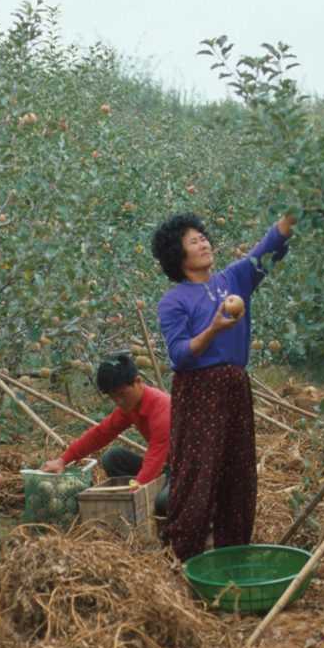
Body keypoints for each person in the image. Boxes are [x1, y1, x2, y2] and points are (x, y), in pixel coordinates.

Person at [152, 211, 296, 561]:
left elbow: (270, 245)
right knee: (197, 474)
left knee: (239, 474)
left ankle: (231, 556)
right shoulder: (173, 301)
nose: (203, 243)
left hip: (234, 386)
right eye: (193, 241)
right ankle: (181, 557)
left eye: (203, 237)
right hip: (199, 389)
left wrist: (298, 210)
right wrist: (214, 328)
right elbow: (181, 353)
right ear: (178, 255)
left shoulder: (234, 279)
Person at [40, 353, 171, 515]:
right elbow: (101, 433)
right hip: (168, 468)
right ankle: (150, 502)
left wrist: (129, 500)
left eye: (122, 394)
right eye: (113, 397)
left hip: (190, 471)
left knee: (166, 502)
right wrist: (63, 460)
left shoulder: (162, 410)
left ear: (138, 382)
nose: (119, 401)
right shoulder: (131, 407)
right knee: (113, 456)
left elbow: (154, 461)